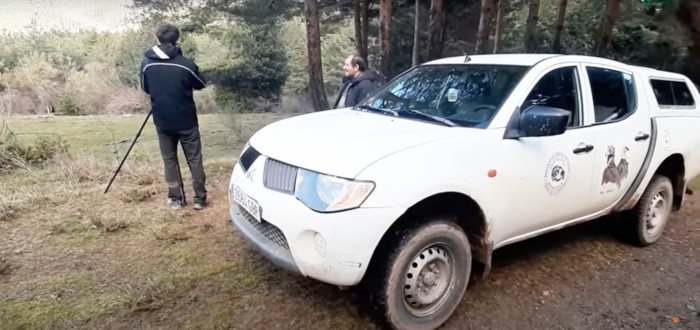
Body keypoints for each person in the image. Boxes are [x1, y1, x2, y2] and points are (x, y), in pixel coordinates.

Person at [140, 23, 207, 210]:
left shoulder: (147, 63)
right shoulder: (186, 65)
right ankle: (200, 198)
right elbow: (200, 83)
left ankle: (176, 198)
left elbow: (146, 87)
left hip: (162, 120)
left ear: (158, 39)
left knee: (169, 160)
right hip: (187, 120)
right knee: (194, 159)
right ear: (177, 40)